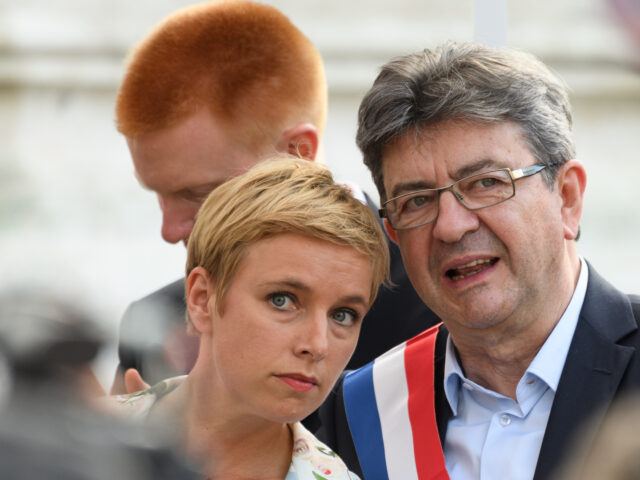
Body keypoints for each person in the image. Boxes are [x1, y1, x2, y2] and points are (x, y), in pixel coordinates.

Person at [315, 42, 640, 480]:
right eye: (416, 201)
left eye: (486, 182)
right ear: (392, 233)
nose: (450, 226)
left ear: (567, 197)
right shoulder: (358, 412)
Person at [111, 0, 438, 394]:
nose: (169, 229)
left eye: (199, 193)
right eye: (158, 194)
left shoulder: (437, 304)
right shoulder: (153, 324)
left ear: (298, 151)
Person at [109, 157, 390, 480]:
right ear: (202, 299)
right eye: (282, 300)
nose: (317, 344)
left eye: (343, 315)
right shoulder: (84, 440)